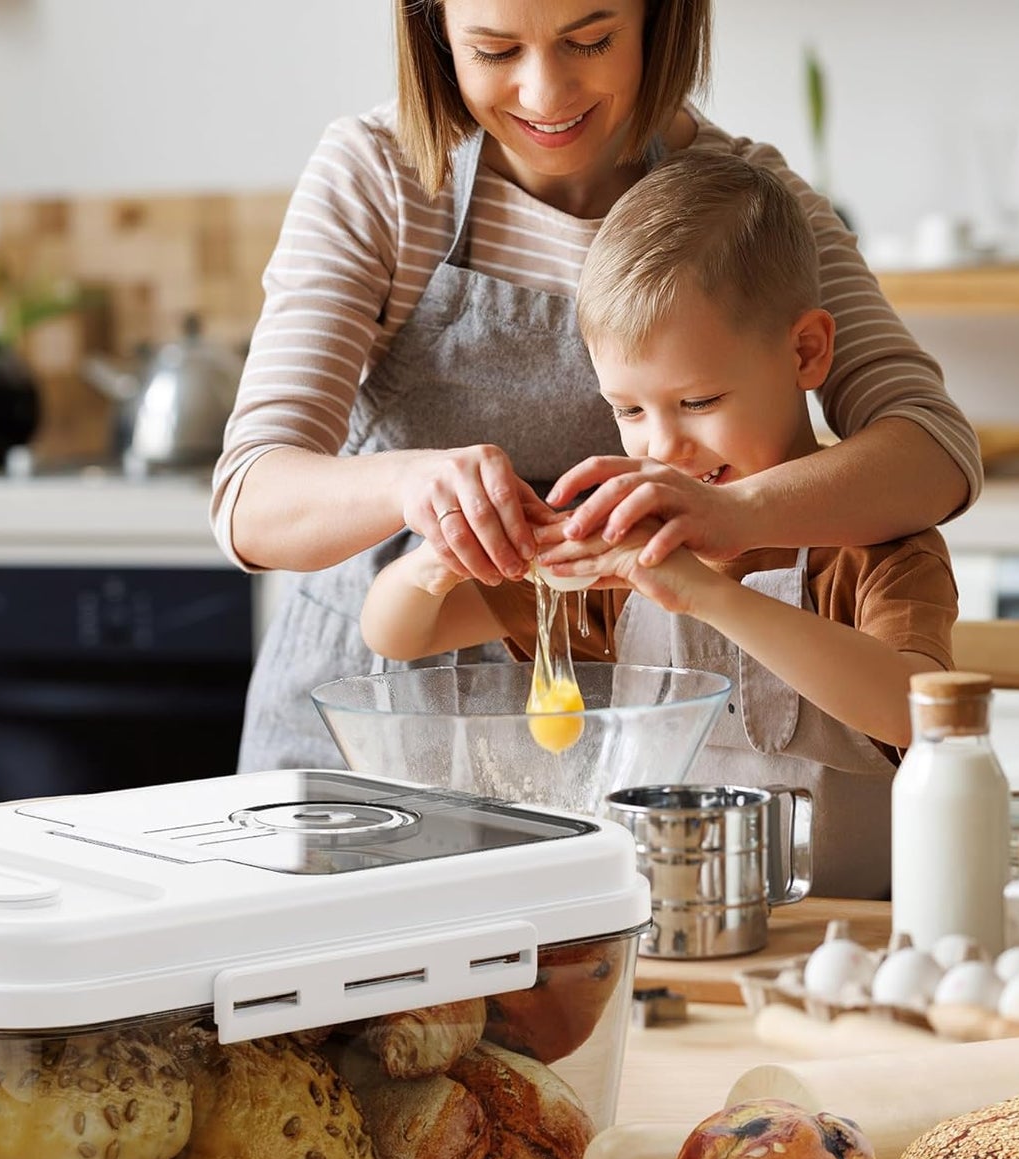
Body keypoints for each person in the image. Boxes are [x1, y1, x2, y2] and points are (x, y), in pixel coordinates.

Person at [214, 0, 979, 774]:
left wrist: (731, 517)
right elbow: (250, 500)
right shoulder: (381, 176)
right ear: (434, 36)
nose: (544, 94)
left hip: (588, 757)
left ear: (659, 19)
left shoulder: (743, 209)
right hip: (360, 733)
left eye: (590, 39)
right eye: (494, 51)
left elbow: (935, 452)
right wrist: (412, 486)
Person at [361, 149, 958, 897]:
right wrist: (442, 556)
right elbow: (397, 634)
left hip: (855, 941)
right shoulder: (621, 548)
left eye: (699, 402)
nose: (663, 446)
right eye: (629, 410)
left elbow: (918, 713)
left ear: (806, 351)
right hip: (666, 938)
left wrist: (705, 593)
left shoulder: (875, 541)